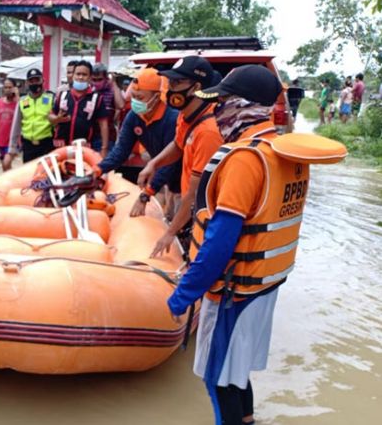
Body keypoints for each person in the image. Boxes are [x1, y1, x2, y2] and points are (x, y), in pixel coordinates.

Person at [168, 64, 345, 425]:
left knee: (217, 380)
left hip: (233, 291)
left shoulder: (245, 159)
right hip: (263, 287)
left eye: (223, 104)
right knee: (236, 371)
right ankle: (249, 419)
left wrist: (183, 294)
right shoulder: (285, 152)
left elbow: (219, 243)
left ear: (244, 106)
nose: (217, 112)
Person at [134, 56, 224, 257]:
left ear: (196, 87)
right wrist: (154, 165)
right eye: (170, 83)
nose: (170, 89)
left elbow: (194, 194)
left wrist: (170, 232)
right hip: (191, 204)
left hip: (205, 213)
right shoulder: (187, 115)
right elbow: (178, 144)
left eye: (176, 83)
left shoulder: (208, 132)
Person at [97, 68, 181, 211]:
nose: (136, 101)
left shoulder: (172, 118)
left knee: (179, 213)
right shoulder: (134, 116)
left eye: (140, 98)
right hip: (164, 174)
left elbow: (171, 160)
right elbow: (121, 151)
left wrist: (146, 194)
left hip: (183, 173)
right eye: (134, 96)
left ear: (156, 96)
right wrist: (97, 170)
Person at [49, 60, 111, 156]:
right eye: (78, 74)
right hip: (61, 147)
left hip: (84, 148)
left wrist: (104, 149)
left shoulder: (96, 99)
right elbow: (50, 117)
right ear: (73, 75)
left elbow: (103, 125)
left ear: (90, 77)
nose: (80, 77)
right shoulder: (62, 95)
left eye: (84, 74)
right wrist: (57, 119)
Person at [8, 68, 56, 162]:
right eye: (31, 81)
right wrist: (12, 147)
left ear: (43, 81)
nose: (34, 83)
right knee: (30, 174)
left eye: (37, 80)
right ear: (27, 83)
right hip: (28, 146)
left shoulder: (51, 98)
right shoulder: (23, 101)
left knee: (46, 174)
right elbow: (16, 125)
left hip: (47, 145)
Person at [92, 63, 125, 146]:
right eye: (94, 80)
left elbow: (121, 105)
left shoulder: (112, 90)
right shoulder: (89, 91)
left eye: (100, 79)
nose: (97, 82)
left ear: (106, 78)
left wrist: (114, 83)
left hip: (109, 137)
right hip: (90, 136)